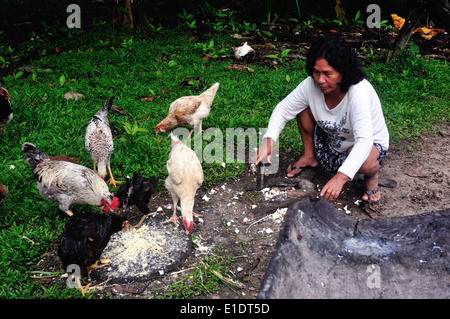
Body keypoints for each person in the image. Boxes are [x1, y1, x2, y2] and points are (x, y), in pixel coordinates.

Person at [253, 35, 389, 204]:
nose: (320, 80)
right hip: (332, 138)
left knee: (366, 163)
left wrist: (341, 177)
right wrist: (269, 140)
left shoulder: (358, 92)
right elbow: (284, 109)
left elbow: (364, 141)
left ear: (343, 71)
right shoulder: (311, 85)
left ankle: (372, 177)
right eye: (316, 72)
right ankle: (310, 156)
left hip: (367, 146)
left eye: (327, 74)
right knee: (301, 106)